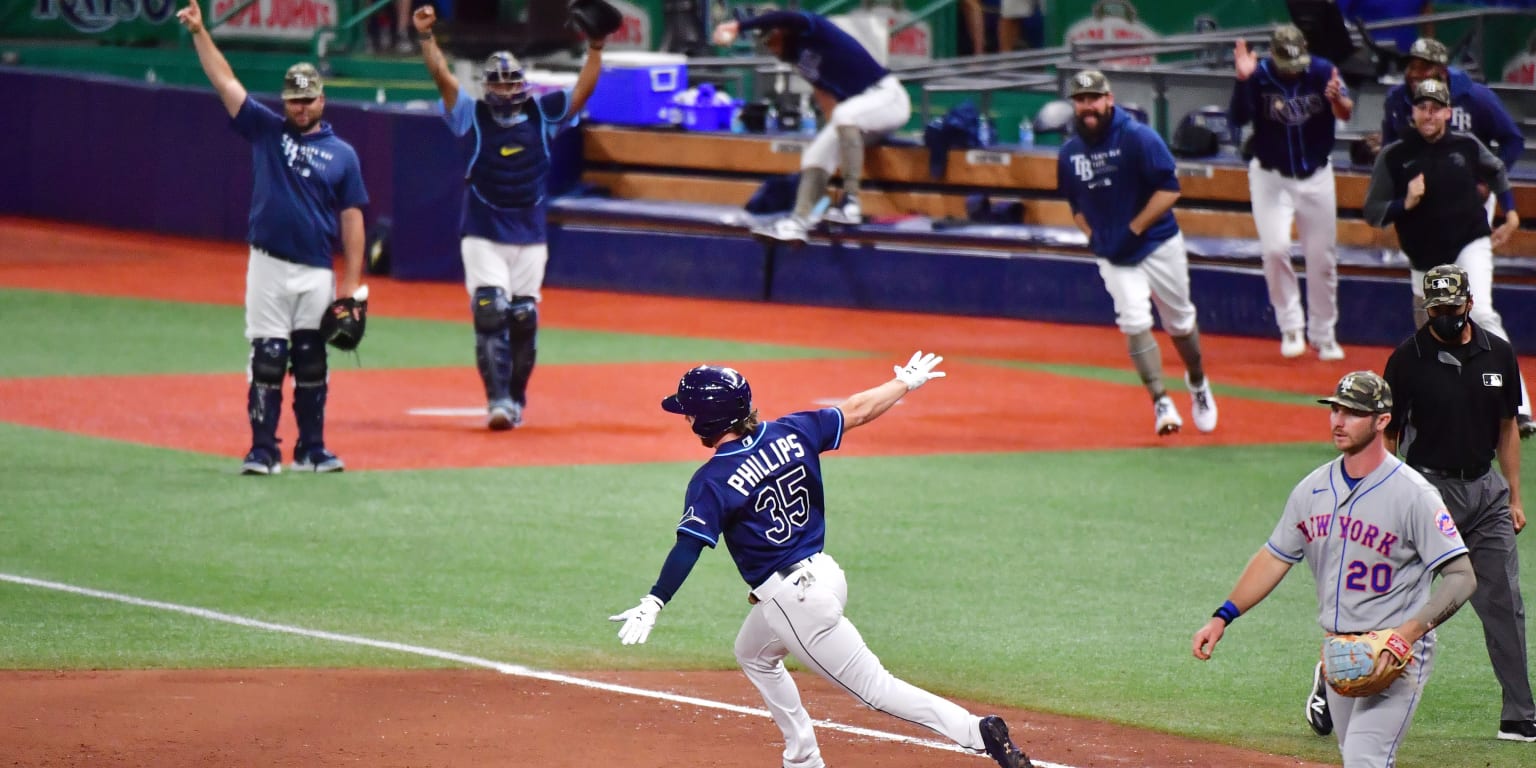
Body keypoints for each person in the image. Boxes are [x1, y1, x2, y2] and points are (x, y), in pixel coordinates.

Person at [608, 354, 1032, 768]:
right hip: (826, 574)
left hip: (796, 602)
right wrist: (905, 383)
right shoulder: (793, 430)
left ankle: (976, 731)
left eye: (688, 413)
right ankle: (803, 757)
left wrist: (655, 600)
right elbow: (857, 410)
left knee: (874, 689)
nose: (685, 419)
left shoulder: (713, 479)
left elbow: (689, 545)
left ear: (707, 420)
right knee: (752, 652)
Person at [1193, 369, 1476, 766]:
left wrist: (1405, 635)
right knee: (1360, 758)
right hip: (1340, 654)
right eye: (1336, 409)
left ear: (1382, 421)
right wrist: (1222, 616)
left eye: (1353, 413)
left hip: (1396, 654)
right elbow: (1275, 556)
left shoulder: (1413, 495)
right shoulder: (1312, 489)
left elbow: (1462, 578)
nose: (1339, 421)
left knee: (1365, 759)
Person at [177, 2, 368, 475]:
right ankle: (263, 448)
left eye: (308, 99)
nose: (300, 107)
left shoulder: (343, 155)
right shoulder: (266, 129)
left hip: (317, 268)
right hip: (268, 263)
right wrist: (201, 32)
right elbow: (226, 83)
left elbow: (353, 219)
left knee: (310, 358)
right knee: (268, 356)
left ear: (323, 99)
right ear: (284, 102)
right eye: (293, 100)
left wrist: (352, 286)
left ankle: (312, 448)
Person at [1349, 265, 1530, 743]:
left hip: (1486, 493)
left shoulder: (1500, 355)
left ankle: (1519, 713)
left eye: (1451, 309)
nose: (1444, 318)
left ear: (1468, 303)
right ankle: (1336, 682)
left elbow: (1508, 428)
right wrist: (1388, 493)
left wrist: (1513, 494)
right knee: (1392, 599)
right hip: (1426, 492)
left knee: (1504, 602)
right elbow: (1387, 432)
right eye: (1436, 311)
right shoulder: (1407, 359)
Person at [412, 5, 604, 430]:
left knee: (523, 318)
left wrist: (596, 47)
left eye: (510, 81)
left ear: (522, 83)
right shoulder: (472, 116)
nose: (502, 89)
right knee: (489, 310)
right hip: (483, 231)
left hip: (530, 235)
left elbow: (582, 92)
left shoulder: (543, 114)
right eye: (496, 82)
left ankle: (516, 396)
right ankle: (497, 400)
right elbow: (443, 79)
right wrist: (427, 39)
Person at [1363, 77, 1534, 438]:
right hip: (1424, 258)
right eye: (1422, 107)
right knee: (1430, 333)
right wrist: (1404, 203)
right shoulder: (1395, 156)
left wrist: (1511, 210)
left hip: (1468, 241)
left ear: (1447, 112)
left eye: (1435, 108)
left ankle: (1517, 406)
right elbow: (1373, 211)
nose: (1428, 114)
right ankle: (1438, 411)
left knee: (1482, 313)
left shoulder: (1466, 145)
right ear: (1413, 111)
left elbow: (1497, 169)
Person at [1056, 70, 1219, 437]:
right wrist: (1092, 237)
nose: (1088, 106)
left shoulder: (1138, 137)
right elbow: (1074, 204)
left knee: (1179, 320)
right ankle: (1160, 400)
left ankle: (1197, 382)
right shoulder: (1069, 154)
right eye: (1081, 100)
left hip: (1158, 243)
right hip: (1114, 253)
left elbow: (1169, 189)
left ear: (1109, 99)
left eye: (1094, 98)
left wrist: (1134, 228)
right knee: (1133, 319)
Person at [712, 10, 912, 244]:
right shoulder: (799, 59)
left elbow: (786, 16)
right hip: (862, 114)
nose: (771, 48)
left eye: (771, 40)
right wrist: (834, 142)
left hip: (888, 97)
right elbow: (826, 95)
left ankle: (850, 203)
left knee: (845, 114)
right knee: (815, 155)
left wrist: (738, 26)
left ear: (782, 32)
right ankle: (799, 223)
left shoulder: (814, 30)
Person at [1229, 25, 1352, 361]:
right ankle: (1290, 326)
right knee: (1274, 250)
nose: (1292, 68)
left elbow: (1346, 111)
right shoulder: (1259, 75)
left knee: (1322, 258)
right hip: (1271, 175)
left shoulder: (1323, 70)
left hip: (1316, 174)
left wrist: (1338, 97)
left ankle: (1324, 334)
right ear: (1273, 54)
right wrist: (1243, 81)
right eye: (1285, 61)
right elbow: (1237, 118)